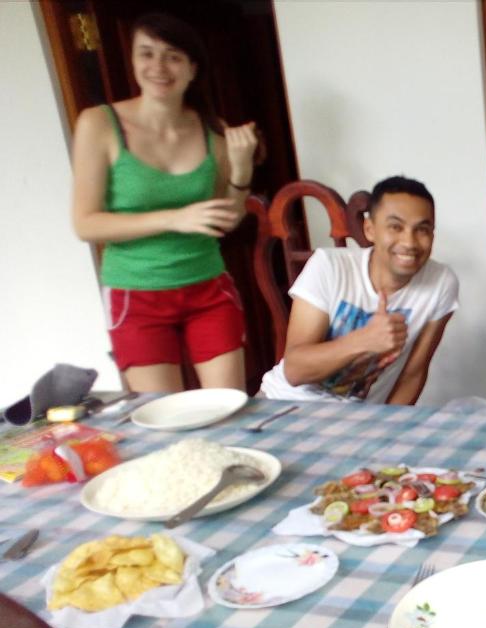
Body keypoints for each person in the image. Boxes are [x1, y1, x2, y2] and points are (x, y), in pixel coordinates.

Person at [71, 12, 259, 393]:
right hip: (136, 293)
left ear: (193, 68)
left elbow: (226, 220)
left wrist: (241, 171)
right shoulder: (99, 124)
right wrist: (175, 218)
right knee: (162, 414)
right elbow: (86, 224)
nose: (158, 66)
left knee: (229, 405)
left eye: (172, 56)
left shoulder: (213, 131)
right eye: (147, 53)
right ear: (134, 61)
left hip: (208, 287)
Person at [260, 176, 458, 404]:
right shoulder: (328, 266)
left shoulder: (441, 283)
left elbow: (413, 374)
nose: (409, 242)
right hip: (286, 403)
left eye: (422, 229)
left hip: (359, 420)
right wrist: (364, 340)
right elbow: (295, 372)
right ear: (370, 229)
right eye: (396, 227)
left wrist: (389, 432)